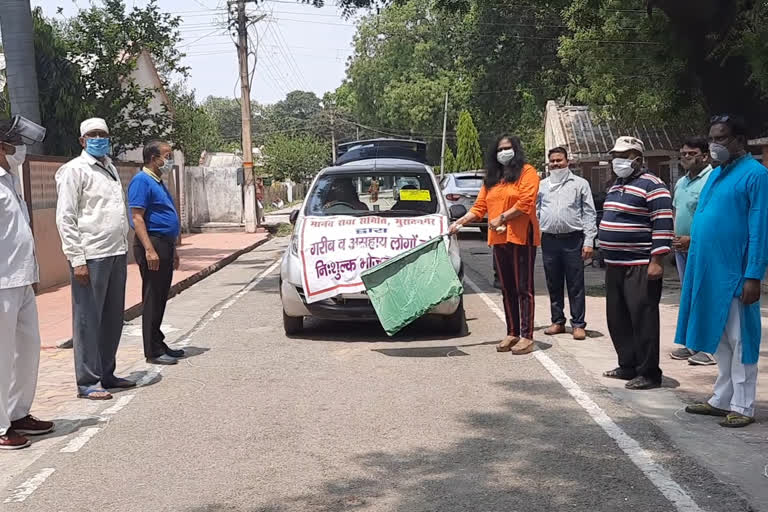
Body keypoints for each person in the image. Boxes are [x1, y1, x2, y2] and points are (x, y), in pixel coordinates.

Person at [676, 115, 768, 428]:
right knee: (720, 341)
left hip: (736, 273)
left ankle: (743, 405)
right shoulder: (716, 174)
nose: (715, 145)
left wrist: (754, 274)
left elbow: (760, 227)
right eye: (712, 138)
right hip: (707, 270)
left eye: (722, 138)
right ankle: (722, 399)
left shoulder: (756, 175)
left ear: (740, 140)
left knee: (741, 339)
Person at [55, 118, 133, 400]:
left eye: (103, 134)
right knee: (88, 319)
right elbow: (66, 217)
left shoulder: (110, 168)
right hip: (90, 254)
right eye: (93, 135)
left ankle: (107, 373)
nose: (99, 138)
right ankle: (88, 381)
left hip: (115, 251)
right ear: (82, 141)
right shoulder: (74, 171)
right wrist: (77, 259)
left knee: (112, 318)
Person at [450, 134, 541, 355]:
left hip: (521, 237)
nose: (504, 152)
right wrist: (460, 222)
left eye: (508, 148)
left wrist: (502, 217)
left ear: (516, 149)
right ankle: (512, 332)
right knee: (507, 287)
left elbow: (526, 202)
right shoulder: (492, 178)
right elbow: (480, 206)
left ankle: (527, 336)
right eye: (500, 149)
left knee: (523, 288)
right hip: (499, 239)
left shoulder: (527, 172)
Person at [598, 136, 673, 390]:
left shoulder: (653, 185)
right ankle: (627, 365)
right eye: (615, 155)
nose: (617, 160)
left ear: (637, 158)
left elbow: (662, 224)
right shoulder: (615, 185)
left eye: (624, 155)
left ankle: (649, 372)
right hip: (615, 264)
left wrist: (657, 260)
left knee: (643, 318)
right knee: (617, 318)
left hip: (641, 263)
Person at [0, 118, 54, 449]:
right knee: (2, 354)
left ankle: (18, 412)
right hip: (1, 281)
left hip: (20, 279)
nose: (20, 150)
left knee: (27, 349)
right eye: (14, 144)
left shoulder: (10, 182)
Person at [128, 140, 183, 365]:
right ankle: (152, 350)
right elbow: (137, 217)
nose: (168, 161)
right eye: (166, 156)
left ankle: (158, 341)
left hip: (164, 243)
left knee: (161, 296)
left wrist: (174, 249)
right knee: (152, 296)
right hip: (152, 243)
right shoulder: (141, 181)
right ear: (153, 158)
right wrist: (150, 250)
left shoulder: (157, 181)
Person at [537, 147, 597, 341]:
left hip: (573, 240)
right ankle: (557, 321)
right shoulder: (542, 185)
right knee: (553, 283)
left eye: (559, 160)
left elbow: (589, 213)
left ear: (567, 161)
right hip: (549, 241)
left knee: (575, 284)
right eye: (552, 161)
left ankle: (578, 324)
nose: (556, 164)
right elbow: (537, 210)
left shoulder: (580, 184)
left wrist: (589, 241)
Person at [668, 137, 715, 366]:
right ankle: (692, 343)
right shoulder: (681, 182)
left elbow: (713, 218)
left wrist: (693, 239)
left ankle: (709, 348)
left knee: (705, 295)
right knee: (688, 297)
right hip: (681, 249)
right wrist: (675, 235)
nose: (686, 157)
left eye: (691, 153)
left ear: (704, 156)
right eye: (683, 153)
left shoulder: (711, 179)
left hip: (703, 249)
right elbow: (677, 211)